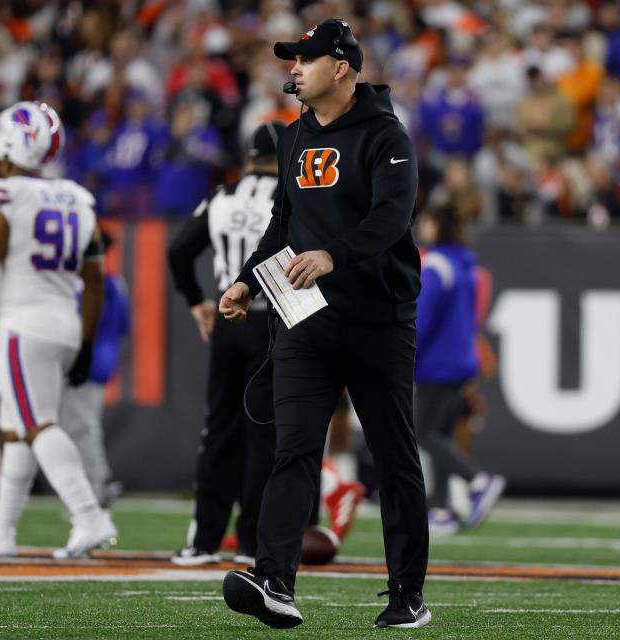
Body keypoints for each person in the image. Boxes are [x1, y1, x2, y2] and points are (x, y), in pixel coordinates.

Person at [218, 19, 430, 629]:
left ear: (340, 66)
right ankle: (276, 581)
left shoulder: (387, 136)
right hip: (305, 318)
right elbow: (281, 227)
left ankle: (407, 593)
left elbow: (392, 218)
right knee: (294, 450)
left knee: (394, 457)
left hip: (377, 319)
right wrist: (245, 279)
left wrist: (335, 253)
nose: (294, 69)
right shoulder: (292, 138)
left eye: (305, 59)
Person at [0, 101, 117, 559]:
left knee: (35, 425)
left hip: (24, 324)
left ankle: (89, 515)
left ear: (12, 146)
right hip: (64, 325)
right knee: (17, 427)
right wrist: (87, 343)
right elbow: (94, 281)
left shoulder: (6, 193)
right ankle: (1, 531)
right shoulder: (78, 197)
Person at [166, 121, 285, 566]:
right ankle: (253, 542)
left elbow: (179, 250)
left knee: (218, 430)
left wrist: (196, 300)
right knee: (264, 436)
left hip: (225, 322)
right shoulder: (288, 194)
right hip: (271, 320)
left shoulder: (220, 196)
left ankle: (204, 541)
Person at [414, 205, 505, 536]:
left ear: (437, 225)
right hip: (462, 360)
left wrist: (406, 353)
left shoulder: (436, 265)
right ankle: (439, 509)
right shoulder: (465, 264)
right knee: (438, 432)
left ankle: (477, 479)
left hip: (437, 363)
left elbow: (423, 320)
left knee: (422, 432)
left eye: (425, 221)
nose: (421, 227)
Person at [59, 229, 129, 507]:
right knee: (81, 424)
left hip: (84, 359)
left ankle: (97, 485)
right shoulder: (116, 283)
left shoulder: (89, 282)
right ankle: (94, 484)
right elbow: (124, 326)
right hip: (101, 359)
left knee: (80, 426)